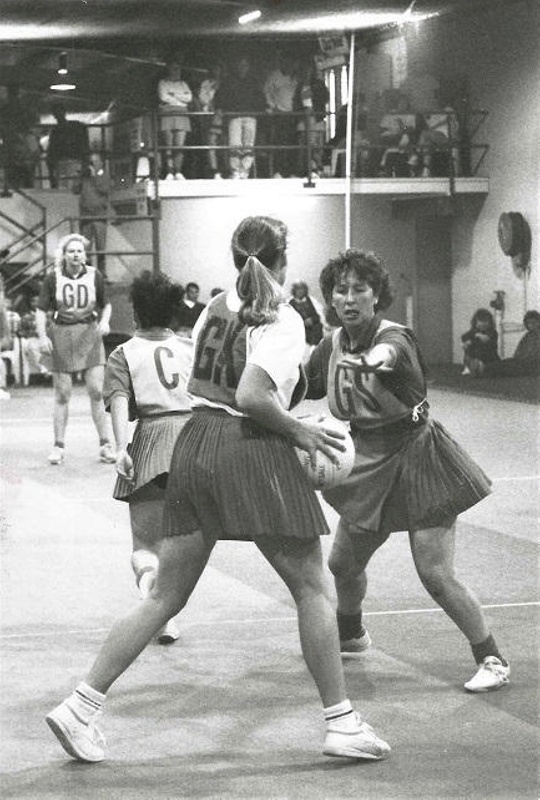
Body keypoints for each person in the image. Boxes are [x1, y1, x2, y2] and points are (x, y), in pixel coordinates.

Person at [45, 216, 390, 765]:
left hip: (195, 440)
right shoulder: (280, 318)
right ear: (282, 259)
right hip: (248, 448)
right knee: (314, 589)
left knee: (164, 595)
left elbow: (215, 387)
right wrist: (303, 432)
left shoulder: (213, 307)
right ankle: (341, 723)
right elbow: (253, 396)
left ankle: (79, 707)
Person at [305, 248, 510, 693]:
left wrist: (372, 360)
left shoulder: (396, 337)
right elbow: (303, 383)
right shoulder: (332, 343)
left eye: (360, 289)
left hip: (419, 455)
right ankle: (352, 634)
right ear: (331, 299)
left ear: (377, 294)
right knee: (342, 563)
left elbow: (388, 355)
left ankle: (491, 656)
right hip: (366, 460)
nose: (350, 298)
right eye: (341, 290)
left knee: (435, 573)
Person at [104, 270, 194, 645]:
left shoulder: (123, 353)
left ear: (136, 312)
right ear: (174, 312)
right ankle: (167, 614)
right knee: (186, 542)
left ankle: (156, 605)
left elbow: (119, 401)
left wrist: (121, 446)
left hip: (153, 443)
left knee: (145, 545)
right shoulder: (190, 347)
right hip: (194, 442)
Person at [35, 233, 115, 465]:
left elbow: (106, 304)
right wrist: (42, 336)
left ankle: (105, 445)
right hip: (61, 333)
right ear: (64, 254)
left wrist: (105, 321)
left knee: (97, 390)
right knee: (62, 394)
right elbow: (41, 310)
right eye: (71, 251)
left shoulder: (94, 275)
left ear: (85, 255)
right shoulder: (53, 278)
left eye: (80, 251)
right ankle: (58, 446)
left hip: (89, 334)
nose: (76, 254)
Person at [214, 57, 266, 179]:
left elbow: (260, 98)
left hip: (250, 116)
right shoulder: (228, 81)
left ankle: (245, 171)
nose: (242, 67)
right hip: (234, 116)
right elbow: (220, 96)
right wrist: (220, 108)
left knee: (248, 145)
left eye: (245, 65)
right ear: (236, 66)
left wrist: (262, 109)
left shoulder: (253, 81)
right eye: (240, 65)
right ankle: (236, 171)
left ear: (248, 67)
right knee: (235, 144)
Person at [157, 61, 193, 180]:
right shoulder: (163, 83)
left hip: (182, 115)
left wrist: (173, 95)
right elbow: (163, 97)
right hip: (168, 114)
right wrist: (179, 97)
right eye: (174, 68)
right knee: (168, 144)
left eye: (178, 69)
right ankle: (169, 171)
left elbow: (189, 98)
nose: (177, 71)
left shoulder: (183, 84)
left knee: (179, 145)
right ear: (169, 69)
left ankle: (178, 170)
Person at [264, 54, 298, 178]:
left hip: (294, 115)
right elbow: (267, 92)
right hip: (280, 114)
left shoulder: (295, 77)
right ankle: (278, 171)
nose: (289, 65)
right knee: (279, 143)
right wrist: (273, 106)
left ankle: (291, 172)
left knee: (292, 144)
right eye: (286, 62)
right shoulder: (274, 76)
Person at [293, 61, 329, 178]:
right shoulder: (301, 86)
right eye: (305, 70)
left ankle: (318, 168)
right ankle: (305, 170)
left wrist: (315, 111)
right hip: (304, 120)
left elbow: (324, 99)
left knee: (315, 146)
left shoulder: (319, 85)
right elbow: (297, 103)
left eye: (309, 70)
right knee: (304, 147)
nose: (307, 72)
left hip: (316, 118)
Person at [79, 154, 111, 280]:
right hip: (85, 216)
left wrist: (95, 176)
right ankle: (87, 273)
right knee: (85, 248)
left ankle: (102, 274)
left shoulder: (104, 175)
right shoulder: (84, 176)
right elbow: (75, 189)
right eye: (90, 162)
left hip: (99, 216)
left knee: (100, 247)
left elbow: (104, 189)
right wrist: (81, 176)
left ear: (100, 163)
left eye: (94, 162)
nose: (91, 165)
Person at [484, 310, 540, 378]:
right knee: (506, 363)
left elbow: (532, 355)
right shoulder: (528, 335)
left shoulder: (536, 335)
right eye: (528, 323)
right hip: (521, 362)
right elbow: (518, 352)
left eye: (533, 323)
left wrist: (519, 360)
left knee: (507, 366)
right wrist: (517, 359)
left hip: (531, 366)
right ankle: (484, 368)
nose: (530, 325)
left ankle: (484, 369)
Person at [46, 104, 90, 191]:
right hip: (69, 160)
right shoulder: (76, 127)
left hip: (66, 161)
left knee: (65, 185)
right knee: (71, 184)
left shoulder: (56, 131)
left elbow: (52, 148)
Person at [289, 280, 325, 362]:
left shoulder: (310, 301)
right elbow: (291, 322)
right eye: (298, 289)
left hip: (314, 330)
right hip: (301, 332)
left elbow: (318, 316)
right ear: (294, 290)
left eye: (302, 289)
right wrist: (303, 322)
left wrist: (311, 320)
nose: (300, 292)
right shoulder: (291, 304)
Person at [18, 293, 51, 380]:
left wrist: (43, 333)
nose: (36, 304)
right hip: (32, 339)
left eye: (38, 301)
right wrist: (33, 332)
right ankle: (43, 368)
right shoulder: (26, 316)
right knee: (32, 346)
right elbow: (21, 331)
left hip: (46, 338)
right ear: (30, 303)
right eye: (33, 301)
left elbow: (52, 327)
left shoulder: (47, 315)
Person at [460, 308, 499, 376]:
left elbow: (486, 339)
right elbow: (464, 337)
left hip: (489, 358)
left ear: (490, 323)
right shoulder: (474, 331)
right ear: (476, 322)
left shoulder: (493, 332)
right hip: (476, 357)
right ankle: (471, 366)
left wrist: (475, 338)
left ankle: (480, 367)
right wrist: (467, 342)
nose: (483, 324)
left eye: (486, 321)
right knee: (468, 348)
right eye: (481, 321)